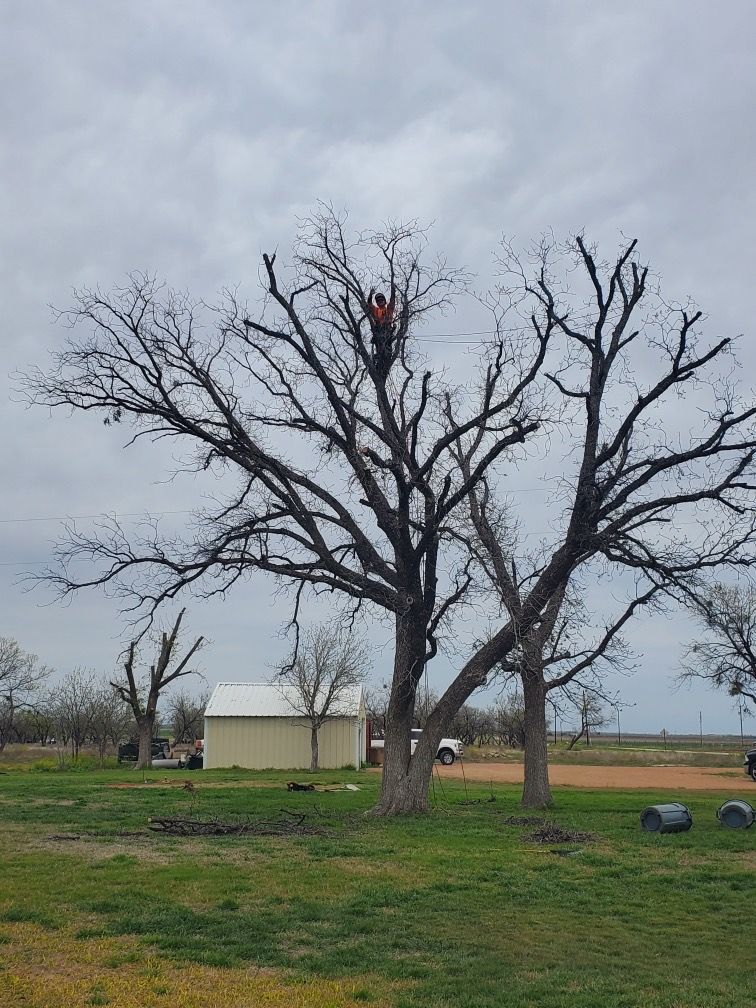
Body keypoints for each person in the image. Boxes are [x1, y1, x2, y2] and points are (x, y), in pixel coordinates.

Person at [367, 288, 397, 377]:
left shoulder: (389, 310)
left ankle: (385, 367)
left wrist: (393, 290)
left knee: (387, 351)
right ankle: (379, 364)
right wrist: (370, 295)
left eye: (381, 299)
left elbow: (392, 301)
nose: (380, 301)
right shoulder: (376, 310)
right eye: (378, 300)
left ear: (384, 300)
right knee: (380, 351)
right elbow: (369, 304)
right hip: (379, 332)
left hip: (387, 332)